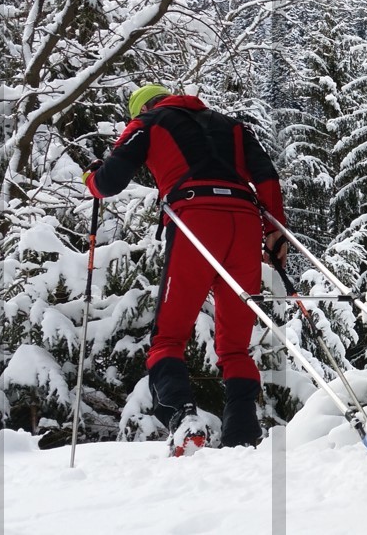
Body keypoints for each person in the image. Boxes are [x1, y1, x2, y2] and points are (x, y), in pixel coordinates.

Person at [83, 83, 288, 456]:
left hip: (195, 218)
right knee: (235, 345)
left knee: (169, 337)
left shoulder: (147, 122)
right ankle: (242, 433)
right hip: (244, 224)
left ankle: (183, 419)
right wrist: (275, 233)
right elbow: (267, 177)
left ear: (140, 108)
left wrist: (91, 179)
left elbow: (109, 182)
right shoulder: (232, 125)